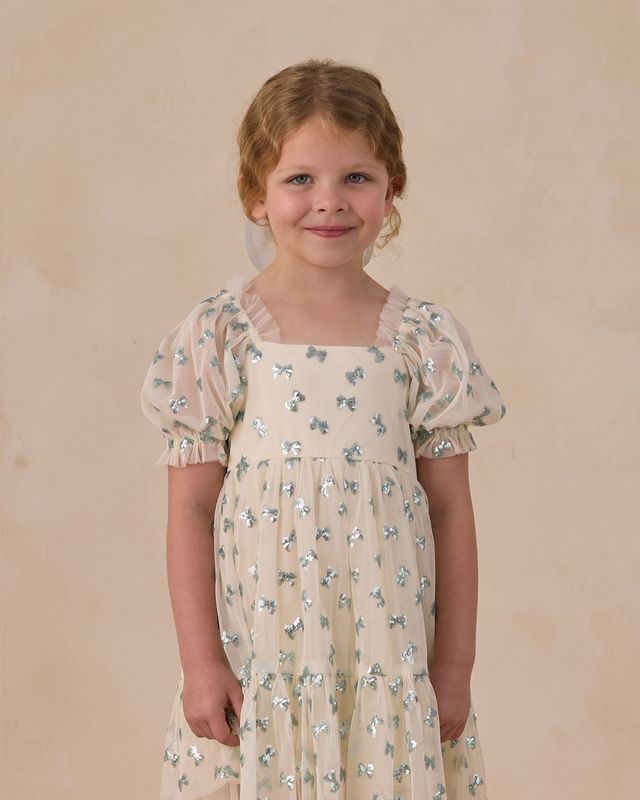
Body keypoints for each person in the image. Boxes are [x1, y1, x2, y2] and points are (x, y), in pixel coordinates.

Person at [140, 57, 507, 800]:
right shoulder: (221, 336)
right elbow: (191, 507)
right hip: (265, 651)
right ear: (256, 195)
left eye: (357, 178)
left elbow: (449, 509)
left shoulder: (420, 340)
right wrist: (202, 663)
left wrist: (454, 668)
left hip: (386, 651)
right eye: (300, 179)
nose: (329, 202)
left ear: (391, 188)